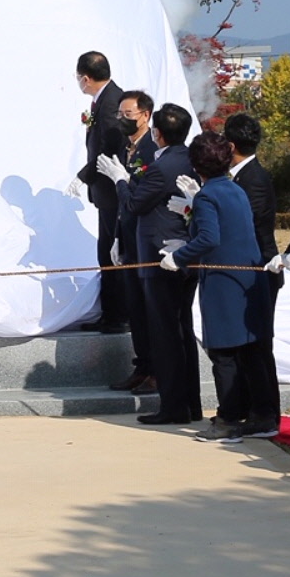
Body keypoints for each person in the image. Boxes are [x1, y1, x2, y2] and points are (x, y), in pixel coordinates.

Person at [167, 131, 266, 442]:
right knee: (247, 352)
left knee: (222, 352)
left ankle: (227, 419)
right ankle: (257, 414)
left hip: (223, 282)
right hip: (246, 278)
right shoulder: (234, 189)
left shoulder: (209, 195)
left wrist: (178, 257)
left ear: (196, 165)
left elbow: (210, 237)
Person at [117, 102, 200, 425]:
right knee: (182, 330)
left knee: (165, 334)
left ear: (157, 133)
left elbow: (135, 204)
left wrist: (121, 180)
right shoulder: (189, 159)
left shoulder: (162, 167)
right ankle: (189, 402)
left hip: (158, 254)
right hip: (182, 251)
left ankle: (173, 406)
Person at [221, 112, 282, 438]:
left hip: (258, 270)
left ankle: (266, 414)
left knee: (257, 347)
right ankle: (251, 409)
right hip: (244, 272)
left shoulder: (253, 178)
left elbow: (247, 222)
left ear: (231, 145)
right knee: (246, 347)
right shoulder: (239, 177)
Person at [99, 89, 157, 393]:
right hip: (128, 234)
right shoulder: (124, 148)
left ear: (145, 116)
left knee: (149, 308)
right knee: (134, 305)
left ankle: (155, 369)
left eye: (128, 114)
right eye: (119, 114)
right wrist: (118, 238)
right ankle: (142, 365)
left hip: (148, 239)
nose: (122, 119)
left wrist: (125, 180)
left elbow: (142, 195)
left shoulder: (152, 149)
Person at [75, 51, 133, 336]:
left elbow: (109, 148)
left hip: (111, 190)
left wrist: (83, 175)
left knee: (112, 251)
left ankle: (118, 314)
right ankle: (111, 311)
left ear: (85, 78)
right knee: (106, 251)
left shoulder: (111, 103)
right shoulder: (105, 100)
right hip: (104, 191)